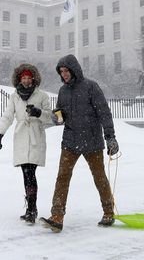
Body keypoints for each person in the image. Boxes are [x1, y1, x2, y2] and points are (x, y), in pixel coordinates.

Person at [40, 54, 119, 233]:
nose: (64, 74)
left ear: (74, 69)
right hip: (70, 141)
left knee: (99, 177)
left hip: (92, 141)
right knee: (62, 177)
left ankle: (108, 212)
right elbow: (61, 116)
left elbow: (104, 113)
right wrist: (56, 117)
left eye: (66, 70)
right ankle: (57, 216)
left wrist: (110, 137)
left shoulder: (91, 87)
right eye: (61, 71)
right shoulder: (62, 91)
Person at [0, 63, 54, 224]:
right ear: (19, 79)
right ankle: (31, 208)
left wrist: (38, 113)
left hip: (35, 136)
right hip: (21, 137)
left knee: (30, 173)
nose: (26, 80)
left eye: (29, 77)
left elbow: (50, 117)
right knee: (25, 173)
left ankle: (31, 209)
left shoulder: (42, 96)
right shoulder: (14, 96)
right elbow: (7, 116)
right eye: (23, 77)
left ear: (33, 78)